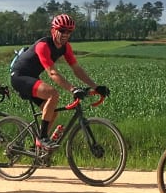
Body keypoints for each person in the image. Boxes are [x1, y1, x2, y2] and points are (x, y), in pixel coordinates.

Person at [9, 14, 109, 150]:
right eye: (62, 30)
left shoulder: (66, 47)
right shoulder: (43, 46)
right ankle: (43, 138)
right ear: (53, 30)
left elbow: (77, 69)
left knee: (53, 112)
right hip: (19, 77)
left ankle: (36, 148)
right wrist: (73, 89)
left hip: (32, 78)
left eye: (69, 31)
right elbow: (52, 72)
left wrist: (96, 87)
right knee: (53, 94)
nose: (65, 34)